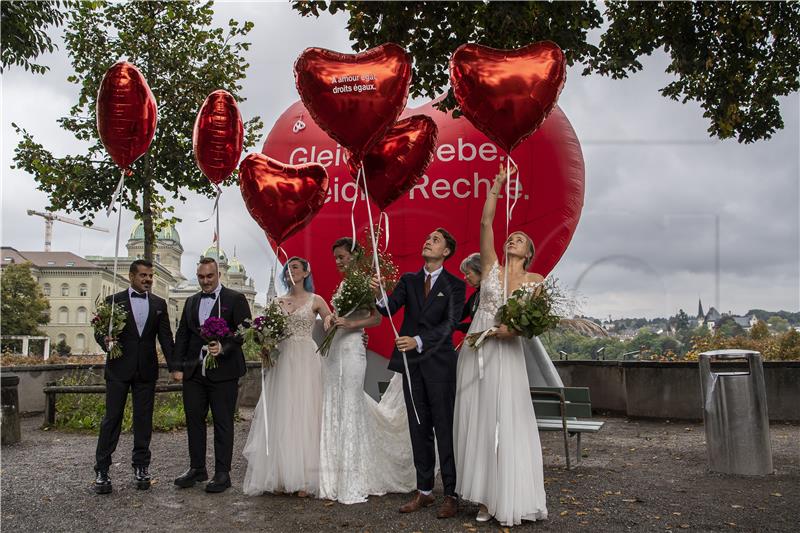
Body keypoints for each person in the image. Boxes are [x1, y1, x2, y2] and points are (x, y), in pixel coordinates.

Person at [453, 164, 548, 526]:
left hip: (507, 354)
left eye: (520, 239)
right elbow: (485, 225)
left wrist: (512, 331)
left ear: (528, 253)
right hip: (478, 348)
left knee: (506, 417)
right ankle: (483, 497)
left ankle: (510, 494)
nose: (513, 240)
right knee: (478, 417)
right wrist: (496, 187)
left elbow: (532, 325)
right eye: (512, 237)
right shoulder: (490, 267)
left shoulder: (536, 281)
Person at [370, 228, 466, 519]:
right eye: (427, 238)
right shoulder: (409, 280)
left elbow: (451, 324)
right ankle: (424, 491)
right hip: (412, 368)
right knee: (419, 428)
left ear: (446, 251)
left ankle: (451, 493)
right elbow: (389, 309)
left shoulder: (455, 285)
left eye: (435, 240)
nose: (427, 241)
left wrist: (419, 341)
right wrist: (378, 294)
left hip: (440, 365)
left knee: (444, 428)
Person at [318, 237, 416, 504]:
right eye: (335, 257)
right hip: (335, 348)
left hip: (351, 348)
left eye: (342, 256)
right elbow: (337, 314)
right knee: (335, 401)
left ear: (354, 256)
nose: (338, 261)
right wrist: (329, 318)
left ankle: (352, 475)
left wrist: (348, 325)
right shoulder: (343, 285)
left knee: (350, 402)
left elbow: (375, 318)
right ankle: (332, 473)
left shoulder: (366, 283)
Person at [243, 257, 332, 497]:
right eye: (288, 268)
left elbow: (329, 320)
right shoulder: (276, 302)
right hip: (282, 360)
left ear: (305, 272)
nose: (291, 270)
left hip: (306, 359)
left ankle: (305, 478)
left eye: (295, 267)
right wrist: (264, 343)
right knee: (282, 412)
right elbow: (265, 331)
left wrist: (329, 321)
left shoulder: (316, 299)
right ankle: (281, 474)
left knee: (305, 413)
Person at [92, 259, 178, 494]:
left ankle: (141, 467)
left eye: (150, 276)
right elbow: (100, 332)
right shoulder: (113, 302)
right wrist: (105, 341)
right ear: (131, 276)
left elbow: (166, 339)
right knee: (112, 419)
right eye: (143, 275)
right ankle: (102, 470)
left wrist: (175, 367)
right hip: (119, 369)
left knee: (143, 421)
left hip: (146, 371)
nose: (148, 279)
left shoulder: (159, 304)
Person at [173, 257, 251, 493]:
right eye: (201, 277)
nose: (205, 281)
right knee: (194, 420)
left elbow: (245, 329)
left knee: (223, 422)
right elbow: (183, 335)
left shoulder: (235, 299)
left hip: (224, 373)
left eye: (209, 276)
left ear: (219, 275)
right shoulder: (191, 302)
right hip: (194, 372)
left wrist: (224, 347)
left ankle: (222, 473)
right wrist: (178, 367)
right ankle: (197, 469)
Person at [456, 253, 482, 334]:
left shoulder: (492, 294)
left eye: (467, 273)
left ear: (479, 271)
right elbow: (458, 315)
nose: (465, 277)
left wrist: (458, 326)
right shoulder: (473, 297)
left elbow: (485, 326)